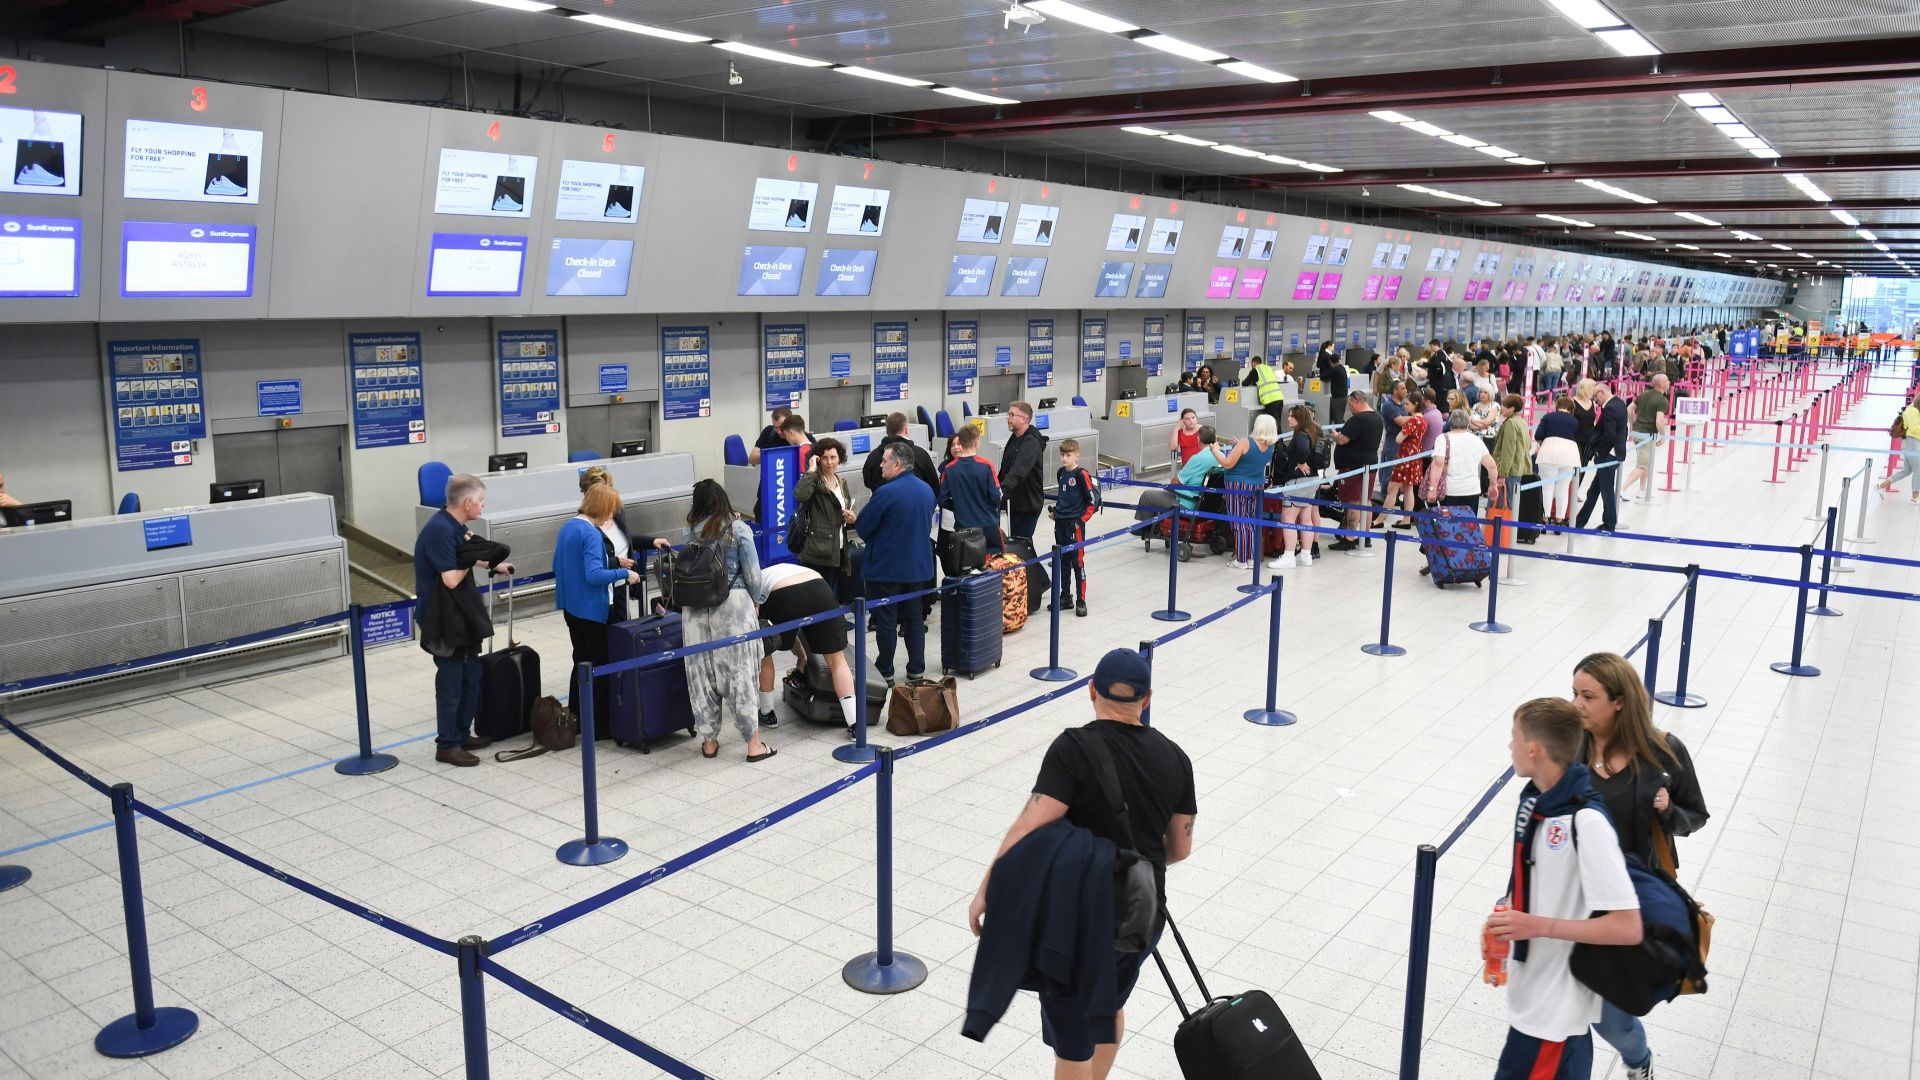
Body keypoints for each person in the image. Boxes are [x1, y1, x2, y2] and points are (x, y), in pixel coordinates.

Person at [965, 648, 1196, 1080]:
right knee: (1108, 1005)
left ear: (1091, 691)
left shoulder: (1074, 749)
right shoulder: (1176, 757)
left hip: (1077, 923)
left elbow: (1029, 827)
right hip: (1141, 913)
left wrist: (987, 890)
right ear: (1146, 699)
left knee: (1072, 1045)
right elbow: (1180, 848)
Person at [1570, 653, 1710, 1080]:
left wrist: (1669, 812)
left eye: (1588, 696)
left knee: (1612, 1021)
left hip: (1632, 908)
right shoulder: (1570, 744)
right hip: (1573, 899)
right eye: (1574, 692)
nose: (1576, 704)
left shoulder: (1664, 752)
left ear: (1619, 701)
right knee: (1571, 1020)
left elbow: (1697, 814)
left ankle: (1639, 1062)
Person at [1487, 697, 1643, 1080]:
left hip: (1555, 1012)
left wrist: (1536, 926)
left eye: (1514, 737)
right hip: (1534, 1000)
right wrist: (1507, 912)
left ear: (1533, 749)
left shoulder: (1586, 822)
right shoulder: (1537, 802)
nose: (1509, 746)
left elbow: (1627, 927)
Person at [414, 474, 514, 767]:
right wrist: (473, 560)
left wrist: (493, 563)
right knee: (451, 683)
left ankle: (461, 733)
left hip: (461, 615)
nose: (483, 505)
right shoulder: (440, 531)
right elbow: (450, 578)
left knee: (472, 675)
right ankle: (447, 745)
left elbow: (466, 555)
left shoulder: (455, 526)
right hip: (443, 618)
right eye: (481, 501)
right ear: (468, 502)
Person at [680, 480, 774, 763]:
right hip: (732, 606)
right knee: (739, 673)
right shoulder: (738, 528)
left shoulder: (689, 532)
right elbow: (754, 575)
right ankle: (753, 745)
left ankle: (709, 742)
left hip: (694, 610)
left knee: (701, 672)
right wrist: (757, 599)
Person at [554, 483, 652, 735]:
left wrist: (611, 561)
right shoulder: (591, 534)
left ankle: (577, 717)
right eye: (610, 510)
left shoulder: (568, 527)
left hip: (572, 608)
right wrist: (624, 573)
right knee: (598, 666)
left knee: (581, 661)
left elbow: (559, 565)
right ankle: (598, 725)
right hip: (593, 610)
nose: (612, 516)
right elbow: (594, 575)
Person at [856, 443, 937, 686]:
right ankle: (916, 670)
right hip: (917, 569)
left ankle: (886, 671)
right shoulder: (926, 491)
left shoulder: (885, 493)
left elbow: (863, 528)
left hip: (886, 570)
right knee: (914, 620)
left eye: (884, 461)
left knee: (886, 622)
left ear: (897, 464)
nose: (880, 465)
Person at [755, 560, 858, 735]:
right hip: (820, 588)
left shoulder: (755, 581)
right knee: (837, 659)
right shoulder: (785, 569)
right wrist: (802, 655)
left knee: (765, 652)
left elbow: (772, 629)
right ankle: (855, 723)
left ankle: (767, 713)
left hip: (782, 592)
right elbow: (794, 626)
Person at [791, 437, 857, 596]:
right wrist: (811, 469)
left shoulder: (841, 481)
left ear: (839, 458)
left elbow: (844, 507)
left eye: (833, 457)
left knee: (831, 593)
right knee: (818, 596)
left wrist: (851, 517)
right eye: (825, 458)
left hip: (838, 547)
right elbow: (799, 495)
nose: (829, 462)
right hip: (817, 550)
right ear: (819, 459)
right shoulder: (814, 479)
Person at [1214, 413, 1278, 570]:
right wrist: (1239, 446)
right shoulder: (1270, 446)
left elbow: (1228, 464)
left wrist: (1215, 450)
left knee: (1239, 522)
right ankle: (1251, 558)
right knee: (1251, 522)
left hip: (1237, 486)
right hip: (1256, 486)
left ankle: (1241, 559)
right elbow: (1251, 456)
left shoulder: (1246, 442)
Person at [1328, 390, 1383, 552]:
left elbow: (1343, 439)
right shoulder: (1377, 418)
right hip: (1369, 465)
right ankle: (1365, 537)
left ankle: (1349, 538)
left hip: (1354, 468)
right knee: (1365, 500)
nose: (1349, 408)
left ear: (1357, 401)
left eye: (1350, 405)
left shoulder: (1358, 419)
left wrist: (1335, 435)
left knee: (1352, 502)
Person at [1270, 404, 1323, 568]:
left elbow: (1302, 449)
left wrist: (1300, 462)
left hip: (1297, 481)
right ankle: (1305, 555)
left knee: (1288, 518)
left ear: (1299, 418)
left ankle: (1289, 556)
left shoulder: (1300, 435)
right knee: (1306, 519)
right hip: (1312, 480)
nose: (1288, 418)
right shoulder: (1314, 431)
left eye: (1291, 416)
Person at [1050, 440, 1099, 617]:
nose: (1064, 458)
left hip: (1074, 526)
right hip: (1060, 524)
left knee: (1078, 563)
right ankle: (1065, 597)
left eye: (1068, 455)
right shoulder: (1060, 473)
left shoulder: (1081, 474)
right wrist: (1056, 513)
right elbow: (1064, 499)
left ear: (1076, 455)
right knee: (1062, 560)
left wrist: (1079, 522)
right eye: (1062, 455)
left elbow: (1091, 502)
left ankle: (1081, 600)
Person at [941, 424, 1005, 551]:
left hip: (963, 527)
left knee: (966, 565)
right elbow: (996, 496)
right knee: (994, 564)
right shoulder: (987, 465)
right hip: (988, 526)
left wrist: (959, 507)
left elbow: (942, 499)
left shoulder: (949, 469)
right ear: (976, 443)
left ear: (961, 442)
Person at [1575, 383, 1628, 533]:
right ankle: (1580, 522)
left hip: (1608, 456)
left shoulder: (1610, 408)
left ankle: (1609, 524)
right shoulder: (1619, 403)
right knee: (1594, 490)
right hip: (1615, 454)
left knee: (1606, 491)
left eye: (1595, 397)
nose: (1595, 401)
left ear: (1601, 393)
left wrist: (1600, 453)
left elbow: (1609, 434)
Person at [999, 401, 1048, 544]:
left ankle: (1030, 567)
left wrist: (1002, 490)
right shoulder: (1015, 437)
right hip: (1015, 502)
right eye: (1008, 414)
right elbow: (1006, 468)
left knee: (1022, 545)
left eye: (1012, 414)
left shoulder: (1031, 442)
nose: (1008, 418)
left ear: (1024, 419)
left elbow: (1019, 470)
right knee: (1017, 544)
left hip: (1027, 505)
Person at [1433, 410, 1499, 511]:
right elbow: (1492, 466)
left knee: (1449, 524)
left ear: (1450, 423)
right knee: (1469, 524)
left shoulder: (1442, 439)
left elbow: (1438, 465)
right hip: (1472, 489)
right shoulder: (1476, 440)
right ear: (1467, 424)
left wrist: (1432, 489)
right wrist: (1493, 485)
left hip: (1449, 489)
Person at [1380, 389, 1427, 528]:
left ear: (1415, 404)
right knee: (1408, 489)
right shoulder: (1422, 419)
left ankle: (1380, 519)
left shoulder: (1412, 421)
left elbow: (1399, 439)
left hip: (1405, 458)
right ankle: (1407, 519)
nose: (1405, 406)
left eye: (1407, 404)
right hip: (1415, 457)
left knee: (1392, 488)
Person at [1535, 398, 1583, 527]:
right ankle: (1559, 519)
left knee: (1547, 487)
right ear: (1571, 409)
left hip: (1549, 452)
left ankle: (1545, 517)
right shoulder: (1575, 421)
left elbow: (1538, 434)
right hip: (1569, 455)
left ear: (1557, 406)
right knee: (1563, 488)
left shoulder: (1548, 417)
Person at [863, 412, 938, 493]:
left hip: (883, 504)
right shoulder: (921, 454)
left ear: (887, 431)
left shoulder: (873, 457)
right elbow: (934, 485)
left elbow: (867, 482)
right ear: (906, 429)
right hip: (915, 504)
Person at [1622, 374, 1670, 493]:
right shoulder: (1662, 400)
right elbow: (1659, 421)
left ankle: (1642, 489)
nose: (1669, 382)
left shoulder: (1643, 395)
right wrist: (1663, 436)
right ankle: (1622, 488)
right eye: (1667, 380)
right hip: (1647, 435)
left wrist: (1633, 422)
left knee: (1646, 463)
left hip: (1637, 432)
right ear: (1662, 384)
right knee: (1642, 466)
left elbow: (1629, 409)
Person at [1492, 394, 1535, 512]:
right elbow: (1529, 445)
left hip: (1509, 471)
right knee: (1512, 503)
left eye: (1504, 405)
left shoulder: (1510, 424)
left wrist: (1502, 474)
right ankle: (1509, 530)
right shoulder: (1521, 421)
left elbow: (1508, 451)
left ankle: (1501, 530)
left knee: (1503, 505)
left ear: (1512, 408)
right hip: (1519, 468)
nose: (1501, 407)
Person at [1881, 387, 1920, 502]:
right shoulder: (1914, 412)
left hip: (1909, 442)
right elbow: (1914, 429)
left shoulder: (1911, 409)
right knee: (1918, 469)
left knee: (1907, 470)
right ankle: (1915, 497)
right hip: (1912, 442)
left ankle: (1882, 486)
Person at [1174, 425, 1225, 512]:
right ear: (1215, 439)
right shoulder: (1222, 457)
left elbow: (1176, 482)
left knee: (1147, 496)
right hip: (1211, 507)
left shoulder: (1197, 458)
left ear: (1198, 439)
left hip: (1188, 503)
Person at [1240, 354, 1287, 429]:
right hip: (1279, 398)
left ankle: (1277, 441)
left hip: (1270, 400)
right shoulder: (1268, 368)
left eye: (1252, 365)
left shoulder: (1256, 370)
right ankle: (1279, 440)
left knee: (1273, 425)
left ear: (1254, 363)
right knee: (1277, 423)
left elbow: (1245, 383)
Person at [1318, 341, 1349, 422]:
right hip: (1344, 396)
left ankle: (1340, 433)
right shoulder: (1342, 368)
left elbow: (1323, 377)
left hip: (1338, 398)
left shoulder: (1334, 370)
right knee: (1340, 416)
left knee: (1337, 418)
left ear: (1331, 362)